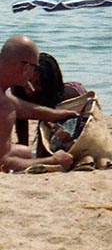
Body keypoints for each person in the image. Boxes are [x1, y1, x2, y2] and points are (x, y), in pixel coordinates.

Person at [0, 36, 74, 172]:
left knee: (24, 153)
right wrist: (54, 160)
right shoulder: (4, 108)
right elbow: (4, 163)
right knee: (20, 156)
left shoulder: (4, 99)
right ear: (26, 68)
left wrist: (54, 115)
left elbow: (17, 105)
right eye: (35, 67)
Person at [10, 52, 86, 156]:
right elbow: (20, 116)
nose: (31, 89)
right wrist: (23, 146)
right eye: (29, 81)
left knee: (51, 148)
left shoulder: (57, 94)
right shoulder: (20, 85)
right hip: (49, 99)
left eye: (37, 83)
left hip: (72, 98)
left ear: (47, 84)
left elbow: (46, 125)